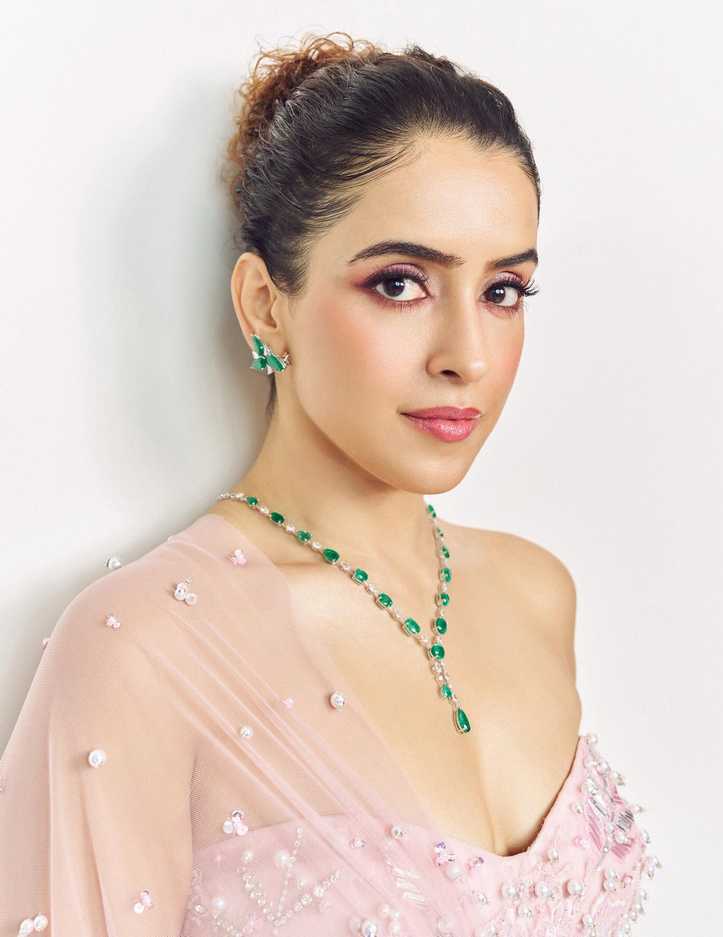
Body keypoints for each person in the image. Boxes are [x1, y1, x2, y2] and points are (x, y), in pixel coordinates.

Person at [0, 31, 662, 937]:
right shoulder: (148, 647)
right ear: (265, 305)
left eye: (504, 291)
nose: (467, 356)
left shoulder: (537, 593)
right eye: (401, 283)